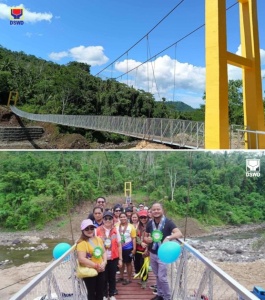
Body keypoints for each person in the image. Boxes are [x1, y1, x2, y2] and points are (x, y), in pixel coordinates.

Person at [144, 202, 183, 300]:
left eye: (158, 209)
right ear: (151, 212)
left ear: (162, 210)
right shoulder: (150, 223)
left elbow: (179, 233)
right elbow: (146, 236)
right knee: (157, 275)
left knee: (162, 277)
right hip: (152, 253)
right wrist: (146, 240)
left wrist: (169, 237)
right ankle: (160, 295)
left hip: (163, 255)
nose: (156, 211)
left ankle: (167, 297)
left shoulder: (168, 222)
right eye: (154, 210)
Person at [76, 219, 107, 300]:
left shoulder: (98, 239)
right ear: (82, 230)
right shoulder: (82, 243)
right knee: (91, 293)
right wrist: (96, 266)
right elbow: (81, 259)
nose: (90, 230)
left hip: (101, 269)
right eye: (87, 229)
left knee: (100, 291)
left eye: (91, 228)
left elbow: (103, 252)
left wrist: (104, 262)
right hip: (90, 271)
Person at [96, 211, 122, 300]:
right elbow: (91, 242)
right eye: (106, 218)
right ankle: (104, 295)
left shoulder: (115, 230)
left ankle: (111, 294)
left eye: (110, 218)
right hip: (102, 258)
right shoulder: (97, 230)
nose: (108, 220)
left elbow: (119, 245)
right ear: (103, 219)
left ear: (113, 220)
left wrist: (120, 259)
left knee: (112, 277)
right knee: (103, 277)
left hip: (113, 258)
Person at [117, 212, 136, 285]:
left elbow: (133, 238)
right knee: (121, 263)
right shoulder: (116, 226)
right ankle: (121, 277)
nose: (122, 218)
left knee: (128, 263)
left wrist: (134, 249)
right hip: (119, 247)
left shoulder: (131, 226)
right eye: (121, 217)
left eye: (124, 216)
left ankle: (129, 278)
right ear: (119, 218)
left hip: (128, 247)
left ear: (127, 217)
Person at [134, 209, 149, 289]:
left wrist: (146, 246)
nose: (143, 219)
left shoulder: (150, 226)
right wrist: (140, 243)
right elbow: (135, 237)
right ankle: (141, 278)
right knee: (138, 265)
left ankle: (144, 281)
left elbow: (152, 238)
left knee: (144, 266)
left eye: (145, 217)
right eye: (142, 217)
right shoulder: (138, 227)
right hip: (138, 249)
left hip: (145, 250)